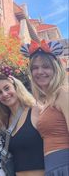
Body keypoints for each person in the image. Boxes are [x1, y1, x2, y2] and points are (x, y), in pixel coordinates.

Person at [21, 39, 69, 175]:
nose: (40, 71)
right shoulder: (48, 101)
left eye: (45, 66)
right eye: (35, 68)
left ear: (56, 68)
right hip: (53, 167)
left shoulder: (63, 93)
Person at [0, 69, 44, 176]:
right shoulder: (4, 122)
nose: (4, 94)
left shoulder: (36, 110)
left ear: (16, 88)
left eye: (7, 88)